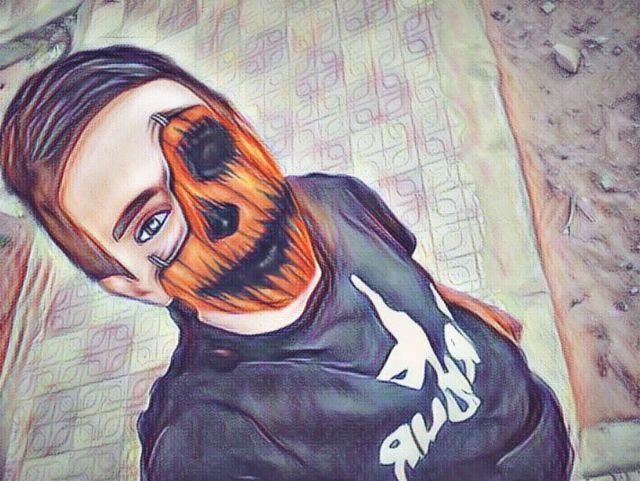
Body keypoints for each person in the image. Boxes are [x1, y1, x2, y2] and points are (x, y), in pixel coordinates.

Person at [0, 46, 573, 481]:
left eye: (207, 149)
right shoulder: (210, 439)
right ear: (131, 284)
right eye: (152, 223)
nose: (218, 210)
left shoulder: (333, 200)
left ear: (243, 127)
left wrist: (455, 309)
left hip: (534, 427)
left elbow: (405, 269)